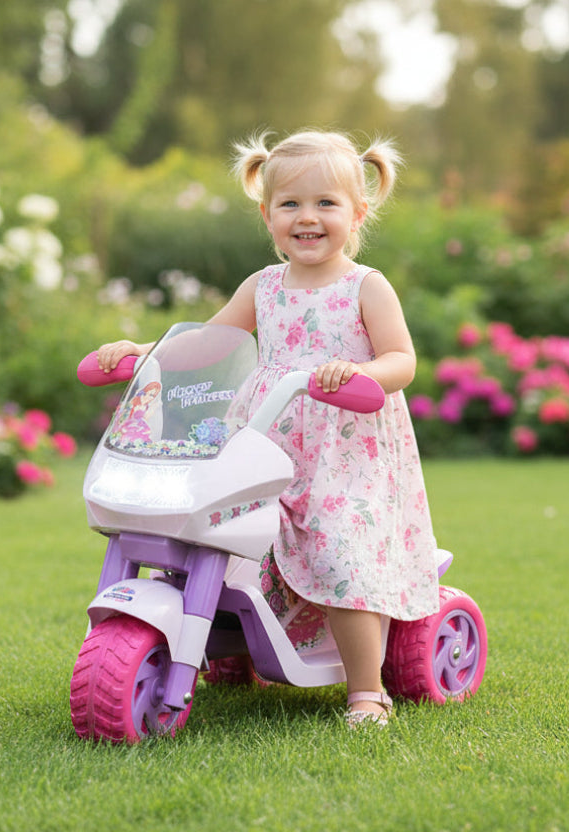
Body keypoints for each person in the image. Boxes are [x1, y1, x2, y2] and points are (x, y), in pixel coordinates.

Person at [97, 130, 440, 727]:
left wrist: (358, 372)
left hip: (343, 452)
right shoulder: (264, 286)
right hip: (266, 440)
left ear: (358, 212)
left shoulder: (366, 286)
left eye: (326, 204)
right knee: (237, 542)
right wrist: (144, 351)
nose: (307, 218)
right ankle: (227, 644)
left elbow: (401, 360)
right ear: (267, 215)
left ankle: (366, 691)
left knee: (338, 553)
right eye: (291, 205)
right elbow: (209, 343)